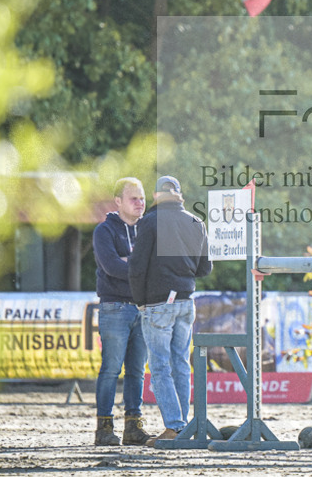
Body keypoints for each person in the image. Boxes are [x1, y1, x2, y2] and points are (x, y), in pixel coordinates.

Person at [129, 175, 212, 447]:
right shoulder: (195, 222)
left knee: (160, 366)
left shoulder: (149, 222)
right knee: (180, 363)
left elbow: (137, 267)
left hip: (158, 302)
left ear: (155, 196)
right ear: (179, 195)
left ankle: (174, 427)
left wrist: (140, 301)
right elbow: (204, 269)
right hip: (187, 301)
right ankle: (183, 424)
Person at [92, 177, 153, 446]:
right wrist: (140, 270)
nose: (140, 203)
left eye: (142, 198)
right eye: (133, 198)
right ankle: (104, 428)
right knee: (110, 369)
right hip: (114, 306)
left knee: (137, 371)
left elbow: (156, 267)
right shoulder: (104, 231)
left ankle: (133, 427)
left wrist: (128, 264)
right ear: (118, 201)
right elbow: (111, 267)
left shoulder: (150, 230)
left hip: (143, 308)